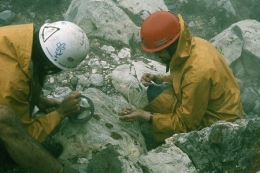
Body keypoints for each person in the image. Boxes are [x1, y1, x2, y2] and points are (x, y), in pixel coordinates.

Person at [118, 11, 244, 144]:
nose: (156, 57)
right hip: (216, 105)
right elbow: (182, 75)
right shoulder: (193, 44)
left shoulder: (197, 72)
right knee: (155, 91)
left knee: (156, 100)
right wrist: (158, 78)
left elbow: (186, 124)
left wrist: (145, 115)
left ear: (170, 46)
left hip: (218, 123)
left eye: (158, 52)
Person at [0, 21, 89, 173]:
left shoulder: (22, 37)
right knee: (5, 120)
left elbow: (29, 71)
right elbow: (23, 134)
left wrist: (37, 98)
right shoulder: (12, 83)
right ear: (50, 66)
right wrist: (60, 113)